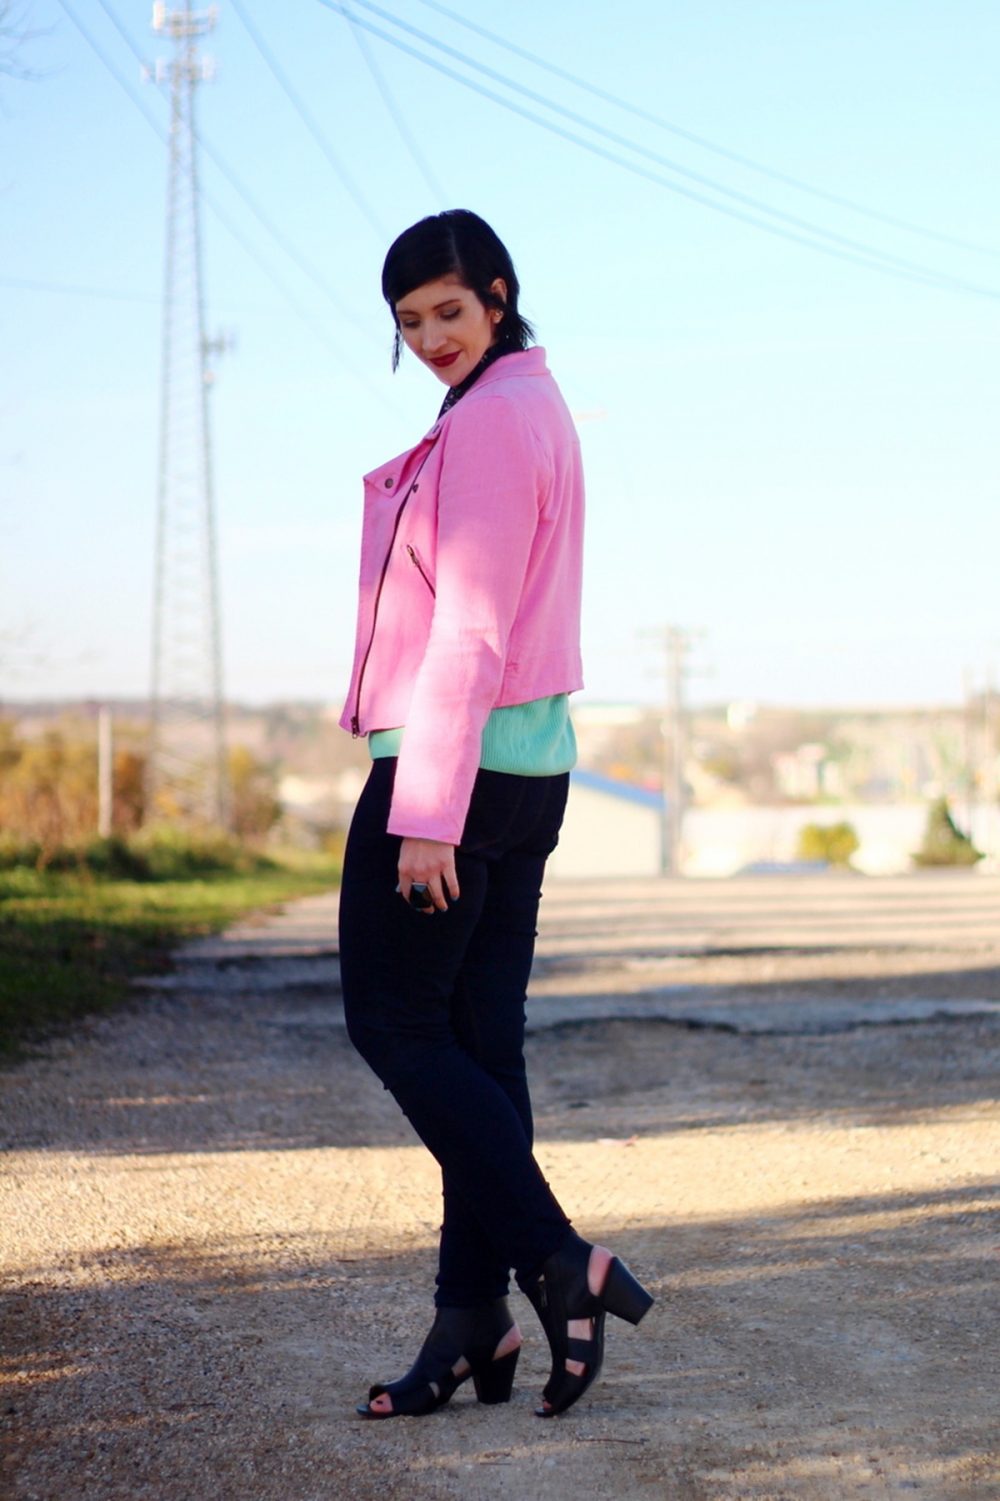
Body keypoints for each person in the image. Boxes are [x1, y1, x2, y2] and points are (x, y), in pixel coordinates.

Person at [338, 209, 653, 1420]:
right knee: (477, 1042)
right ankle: (472, 1319)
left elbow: (466, 624)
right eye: (408, 321)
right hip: (529, 770)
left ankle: (557, 1260)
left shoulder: (487, 421)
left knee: (396, 1025)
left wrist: (424, 808)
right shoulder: (539, 405)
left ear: (499, 294)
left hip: (454, 772)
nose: (428, 337)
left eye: (448, 311)